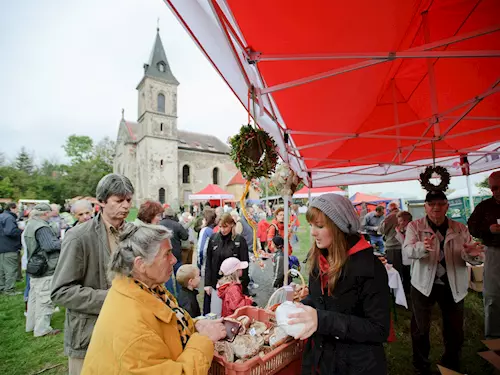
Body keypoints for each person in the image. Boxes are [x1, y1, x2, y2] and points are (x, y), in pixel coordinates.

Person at [81, 223, 226, 374]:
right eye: (167, 254)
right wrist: (203, 339)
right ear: (140, 264)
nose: (174, 260)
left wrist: (195, 325)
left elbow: (168, 326)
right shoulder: (133, 327)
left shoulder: (148, 288)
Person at [286, 193, 390, 375]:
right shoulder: (318, 258)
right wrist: (299, 310)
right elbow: (317, 299)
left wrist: (321, 320)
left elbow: (379, 329)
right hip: (320, 358)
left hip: (356, 364)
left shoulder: (369, 268)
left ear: (339, 227)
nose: (312, 232)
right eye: (311, 225)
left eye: (320, 226)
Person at [51, 173, 134, 375]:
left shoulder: (134, 233)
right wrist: (110, 298)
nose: (126, 206)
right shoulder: (78, 237)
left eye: (129, 200)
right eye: (119, 200)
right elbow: (61, 291)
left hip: (128, 331)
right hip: (89, 334)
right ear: (102, 202)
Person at [404, 190, 484, 374]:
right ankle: (421, 366)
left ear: (447, 206)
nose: (436, 208)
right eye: (431, 204)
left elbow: (468, 255)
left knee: (455, 329)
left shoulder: (460, 228)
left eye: (440, 204)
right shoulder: (414, 227)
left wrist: (473, 255)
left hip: (453, 284)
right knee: (420, 329)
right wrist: (421, 248)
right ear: (425, 206)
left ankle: (451, 363)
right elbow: (407, 252)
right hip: (423, 284)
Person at [468, 171, 500, 339]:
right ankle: (494, 338)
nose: (497, 191)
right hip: (495, 253)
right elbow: (471, 227)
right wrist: (488, 229)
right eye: (494, 188)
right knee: (493, 295)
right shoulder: (484, 206)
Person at [24, 203, 61, 337]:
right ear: (46, 213)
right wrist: (65, 241)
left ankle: (31, 325)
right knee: (45, 299)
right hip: (45, 268)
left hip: (35, 266)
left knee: (34, 298)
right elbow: (49, 245)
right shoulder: (42, 227)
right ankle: (42, 329)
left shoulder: (31, 224)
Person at [204, 213, 250, 317]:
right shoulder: (213, 239)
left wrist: (242, 283)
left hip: (233, 283)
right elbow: (208, 262)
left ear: (231, 225)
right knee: (216, 311)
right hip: (217, 282)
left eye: (225, 227)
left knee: (232, 312)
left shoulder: (239, 240)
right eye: (220, 227)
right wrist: (207, 283)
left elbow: (245, 263)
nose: (222, 230)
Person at [380, 201, 410, 294]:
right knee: (406, 270)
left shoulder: (390, 217)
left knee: (394, 271)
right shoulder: (405, 215)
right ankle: (407, 290)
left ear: (390, 209)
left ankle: (396, 293)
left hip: (393, 246)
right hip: (405, 246)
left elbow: (382, 230)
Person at [160, 207, 189, 297]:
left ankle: (170, 295)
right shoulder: (177, 225)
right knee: (179, 275)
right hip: (176, 253)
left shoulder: (159, 224)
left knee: (167, 276)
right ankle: (180, 295)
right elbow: (185, 236)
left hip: (164, 254)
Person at [196, 208, 216, 315]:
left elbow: (200, 249)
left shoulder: (205, 231)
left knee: (207, 289)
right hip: (213, 263)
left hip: (206, 263)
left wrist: (199, 265)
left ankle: (207, 313)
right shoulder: (213, 229)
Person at [0, 202, 22, 295]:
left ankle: (1, 287)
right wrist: (20, 230)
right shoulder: (9, 218)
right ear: (12, 208)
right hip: (10, 247)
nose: (18, 211)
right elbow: (10, 231)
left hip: (2, 246)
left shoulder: (1, 216)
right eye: (17, 209)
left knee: (1, 270)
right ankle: (9, 289)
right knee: (10, 269)